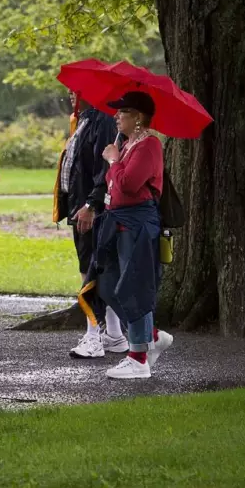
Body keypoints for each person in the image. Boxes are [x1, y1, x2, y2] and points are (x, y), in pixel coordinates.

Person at [91, 91, 174, 379]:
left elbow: (127, 184)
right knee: (108, 283)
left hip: (138, 226)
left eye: (122, 112)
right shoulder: (128, 145)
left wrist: (114, 162)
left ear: (138, 117)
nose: (116, 116)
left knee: (134, 288)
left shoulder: (148, 145)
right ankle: (150, 335)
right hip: (119, 224)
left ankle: (138, 357)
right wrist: (116, 159)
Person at [54, 91, 129, 359]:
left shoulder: (103, 121)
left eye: (77, 89)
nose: (71, 94)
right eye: (71, 90)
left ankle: (93, 338)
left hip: (92, 210)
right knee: (93, 270)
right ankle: (115, 335)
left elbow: (104, 170)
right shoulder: (84, 119)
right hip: (80, 208)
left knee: (91, 274)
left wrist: (91, 205)